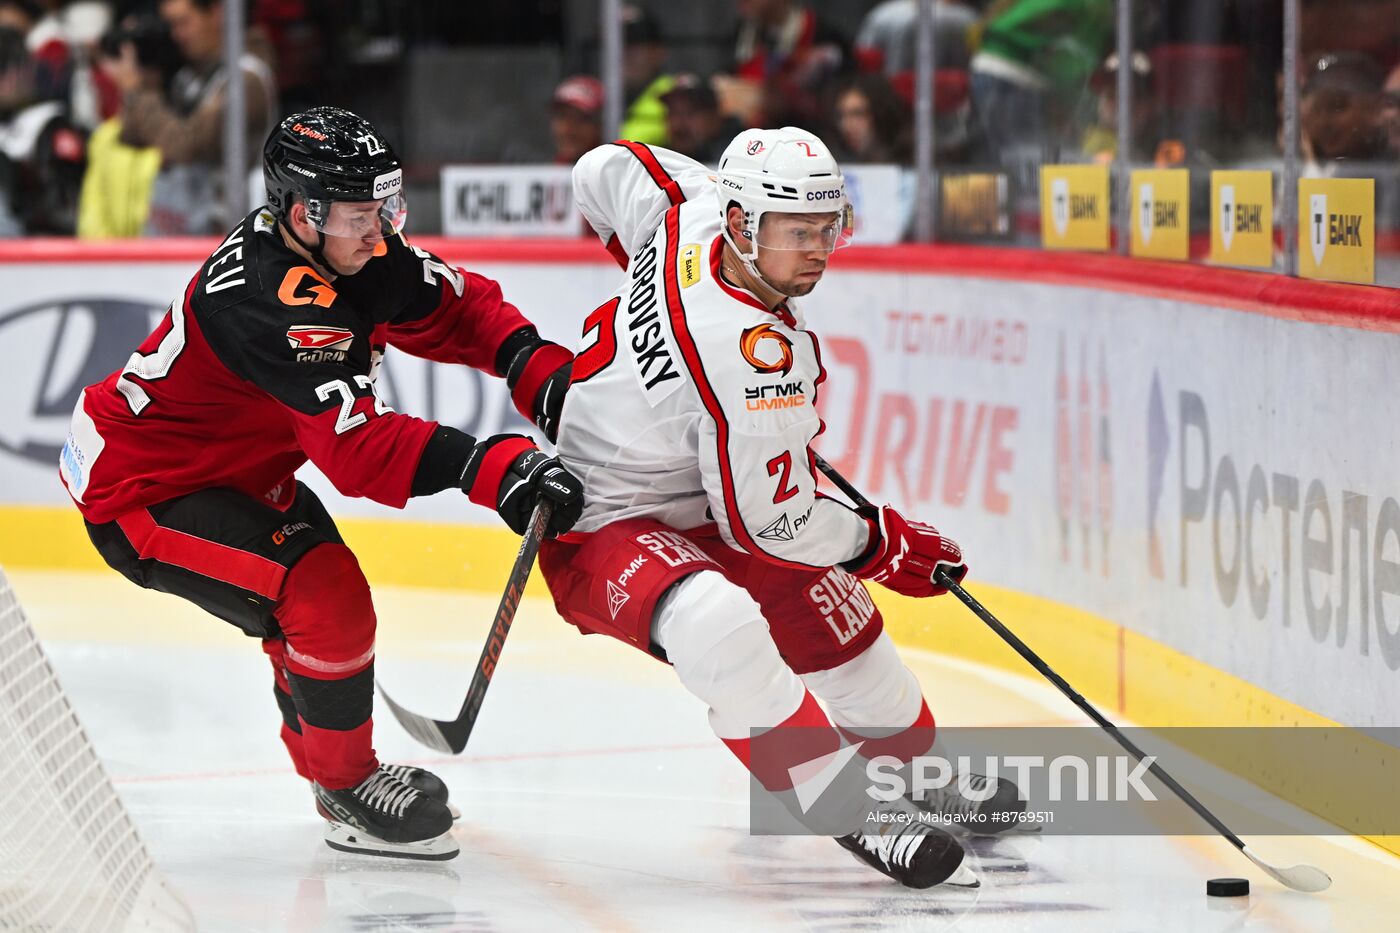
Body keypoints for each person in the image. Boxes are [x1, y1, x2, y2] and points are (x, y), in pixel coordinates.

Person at [58, 107, 583, 861]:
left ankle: (326, 763)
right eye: (362, 214)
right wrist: (490, 468)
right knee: (323, 595)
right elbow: (358, 452)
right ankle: (344, 785)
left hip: (226, 467)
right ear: (303, 212)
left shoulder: (346, 250)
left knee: (313, 604)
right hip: (145, 487)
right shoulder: (276, 301)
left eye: (385, 208)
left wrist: (534, 364)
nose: (382, 232)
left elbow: (454, 306)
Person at [544, 128, 1023, 890]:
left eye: (827, 229)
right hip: (603, 517)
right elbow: (773, 524)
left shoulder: (684, 207)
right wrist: (886, 545)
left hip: (709, 487)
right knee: (717, 624)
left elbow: (598, 168)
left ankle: (920, 773)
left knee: (847, 633)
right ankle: (854, 808)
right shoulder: (751, 351)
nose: (818, 251)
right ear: (740, 225)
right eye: (796, 232)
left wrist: (638, 261)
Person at [120, 0, 277, 234]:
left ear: (216, 13)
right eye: (171, 26)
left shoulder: (246, 78)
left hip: (234, 231)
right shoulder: (190, 77)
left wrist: (138, 93)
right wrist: (147, 79)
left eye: (183, 22)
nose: (177, 35)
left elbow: (185, 145)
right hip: (188, 225)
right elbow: (131, 136)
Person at [78, 12, 180, 238]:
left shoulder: (177, 134)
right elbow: (92, 221)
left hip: (169, 259)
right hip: (113, 266)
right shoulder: (105, 137)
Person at [0, 25, 86, 236]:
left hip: (35, 250)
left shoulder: (47, 123)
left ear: (23, 69)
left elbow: (66, 209)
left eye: (3, 69)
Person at [617, 2, 672, 146]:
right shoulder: (596, 99)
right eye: (619, 45)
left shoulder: (676, 98)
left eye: (636, 45)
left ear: (658, 52)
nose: (625, 54)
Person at [658, 72, 740, 165]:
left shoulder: (737, 158)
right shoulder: (660, 158)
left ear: (714, 116)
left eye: (690, 112)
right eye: (673, 113)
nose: (679, 123)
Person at [550, 74, 603, 164]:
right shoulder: (554, 169)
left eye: (581, 119)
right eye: (562, 117)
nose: (567, 130)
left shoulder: (620, 172)